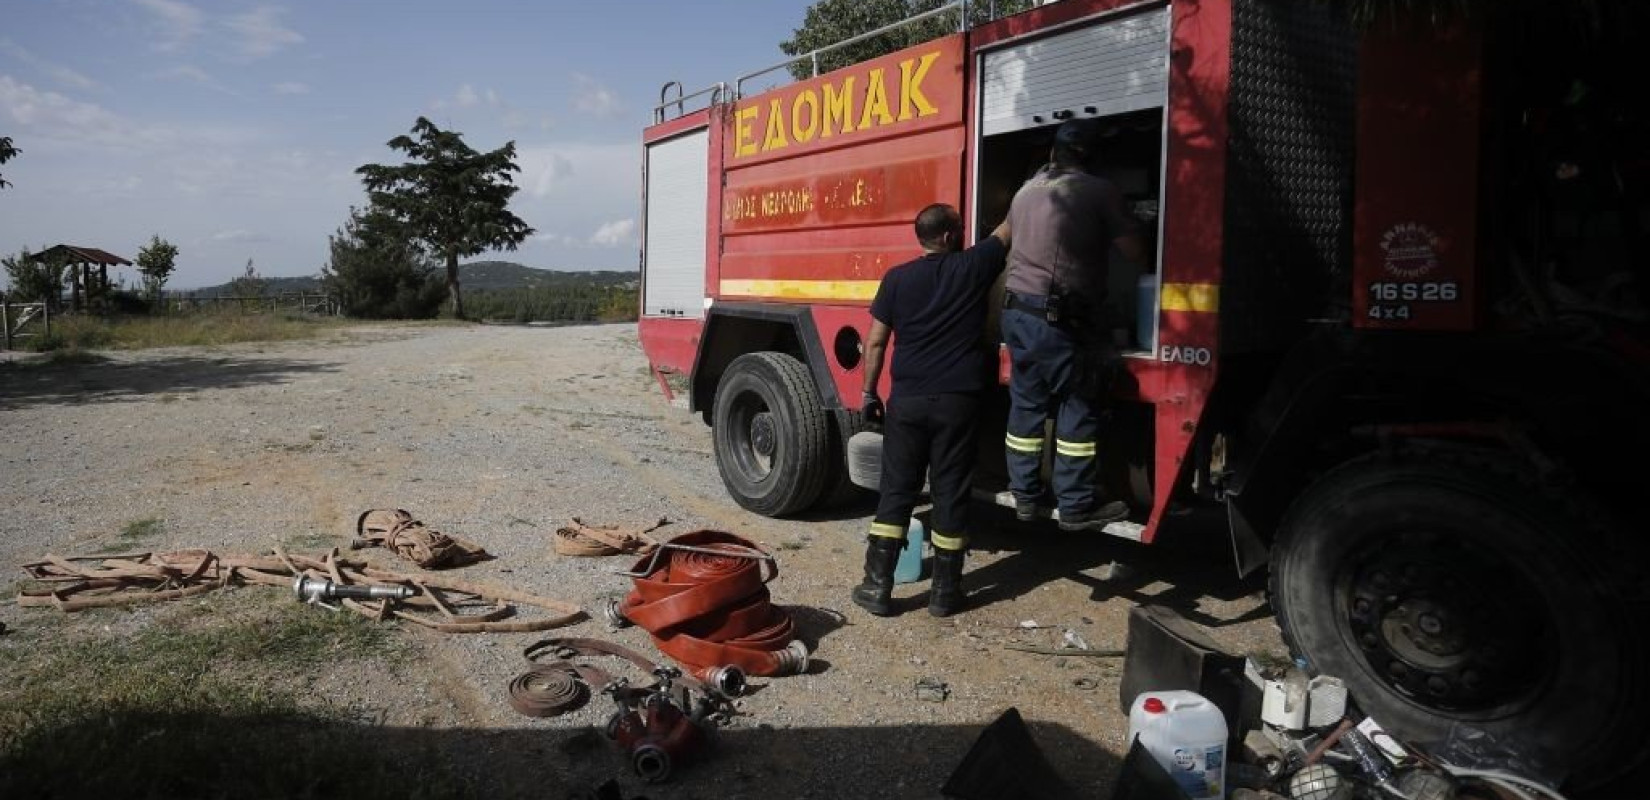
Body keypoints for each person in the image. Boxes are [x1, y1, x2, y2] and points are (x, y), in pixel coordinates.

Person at [852, 204, 1011, 618]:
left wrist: (869, 392)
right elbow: (1009, 230)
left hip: (906, 402)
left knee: (897, 490)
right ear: (948, 236)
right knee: (950, 492)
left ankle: (877, 587)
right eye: (959, 229)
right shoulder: (972, 267)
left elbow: (874, 342)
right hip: (958, 403)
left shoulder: (896, 279)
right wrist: (1041, 178)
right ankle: (945, 594)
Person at [1001, 118, 1148, 531]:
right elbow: (1135, 253)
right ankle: (1075, 505)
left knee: (1026, 405)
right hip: (1060, 321)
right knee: (1079, 403)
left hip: (1017, 315)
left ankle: (1026, 497)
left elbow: (1008, 237)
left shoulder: (1026, 190)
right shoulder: (1099, 191)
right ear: (1093, 157)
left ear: (1054, 154)